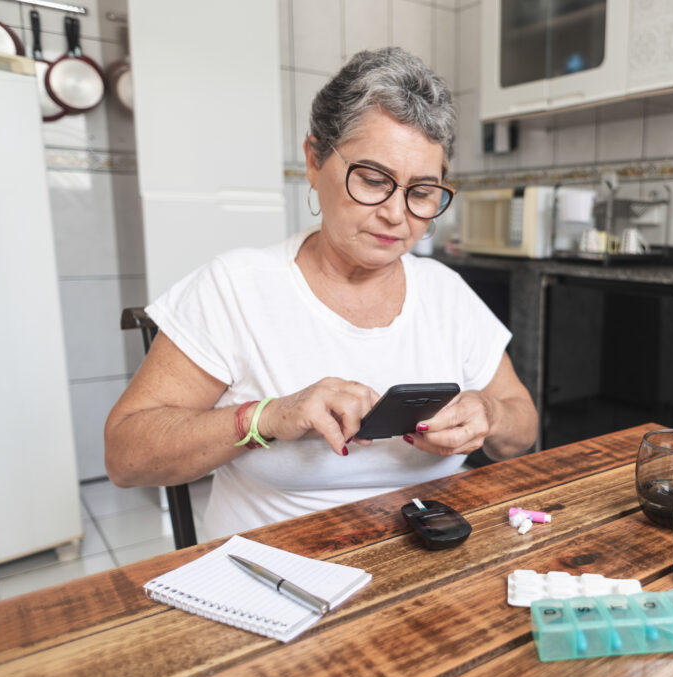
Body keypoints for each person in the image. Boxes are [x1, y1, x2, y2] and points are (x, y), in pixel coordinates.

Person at [105, 47, 538, 539]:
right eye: (373, 181)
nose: (397, 215)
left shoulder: (445, 292)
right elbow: (125, 457)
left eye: (421, 193)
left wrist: (490, 414)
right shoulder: (235, 287)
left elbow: (521, 427)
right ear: (315, 161)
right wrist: (266, 417)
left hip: (430, 564)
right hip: (280, 574)